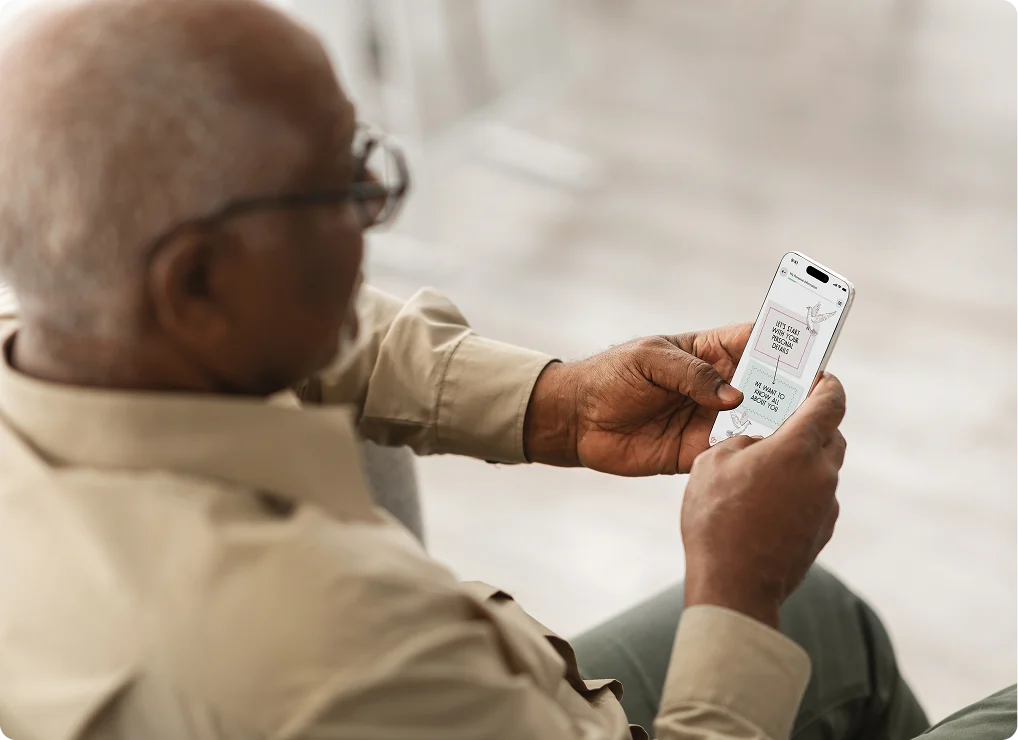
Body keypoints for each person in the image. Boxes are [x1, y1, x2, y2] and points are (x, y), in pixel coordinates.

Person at [0, 1, 1011, 738]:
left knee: (824, 615)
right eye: (345, 192)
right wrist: (736, 586)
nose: (369, 223)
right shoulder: (331, 642)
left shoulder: (70, 344)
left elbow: (326, 337)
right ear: (198, 283)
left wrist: (557, 405)